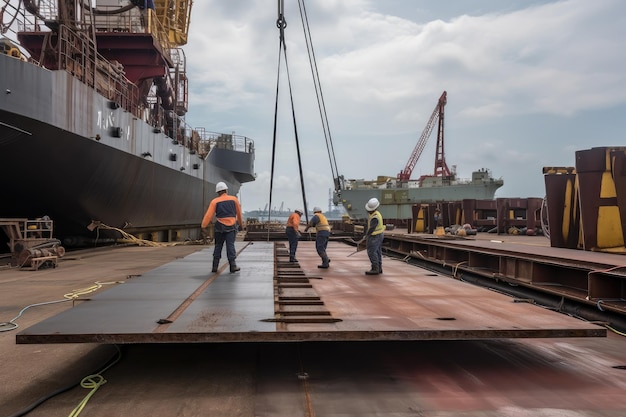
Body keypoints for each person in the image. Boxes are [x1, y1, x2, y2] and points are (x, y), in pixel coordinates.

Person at [201, 181, 244, 273]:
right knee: (230, 246)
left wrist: (203, 225)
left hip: (219, 227)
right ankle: (233, 266)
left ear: (217, 192)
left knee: (218, 246)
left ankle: (214, 267)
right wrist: (241, 224)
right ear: (226, 190)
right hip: (231, 226)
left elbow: (208, 215)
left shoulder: (214, 201)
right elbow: (239, 214)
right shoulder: (234, 199)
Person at [364, 197, 385, 275]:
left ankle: (375, 268)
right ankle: (379, 268)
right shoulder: (376, 214)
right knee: (377, 251)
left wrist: (367, 235)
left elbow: (372, 228)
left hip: (375, 236)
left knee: (372, 252)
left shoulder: (374, 217)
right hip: (379, 235)